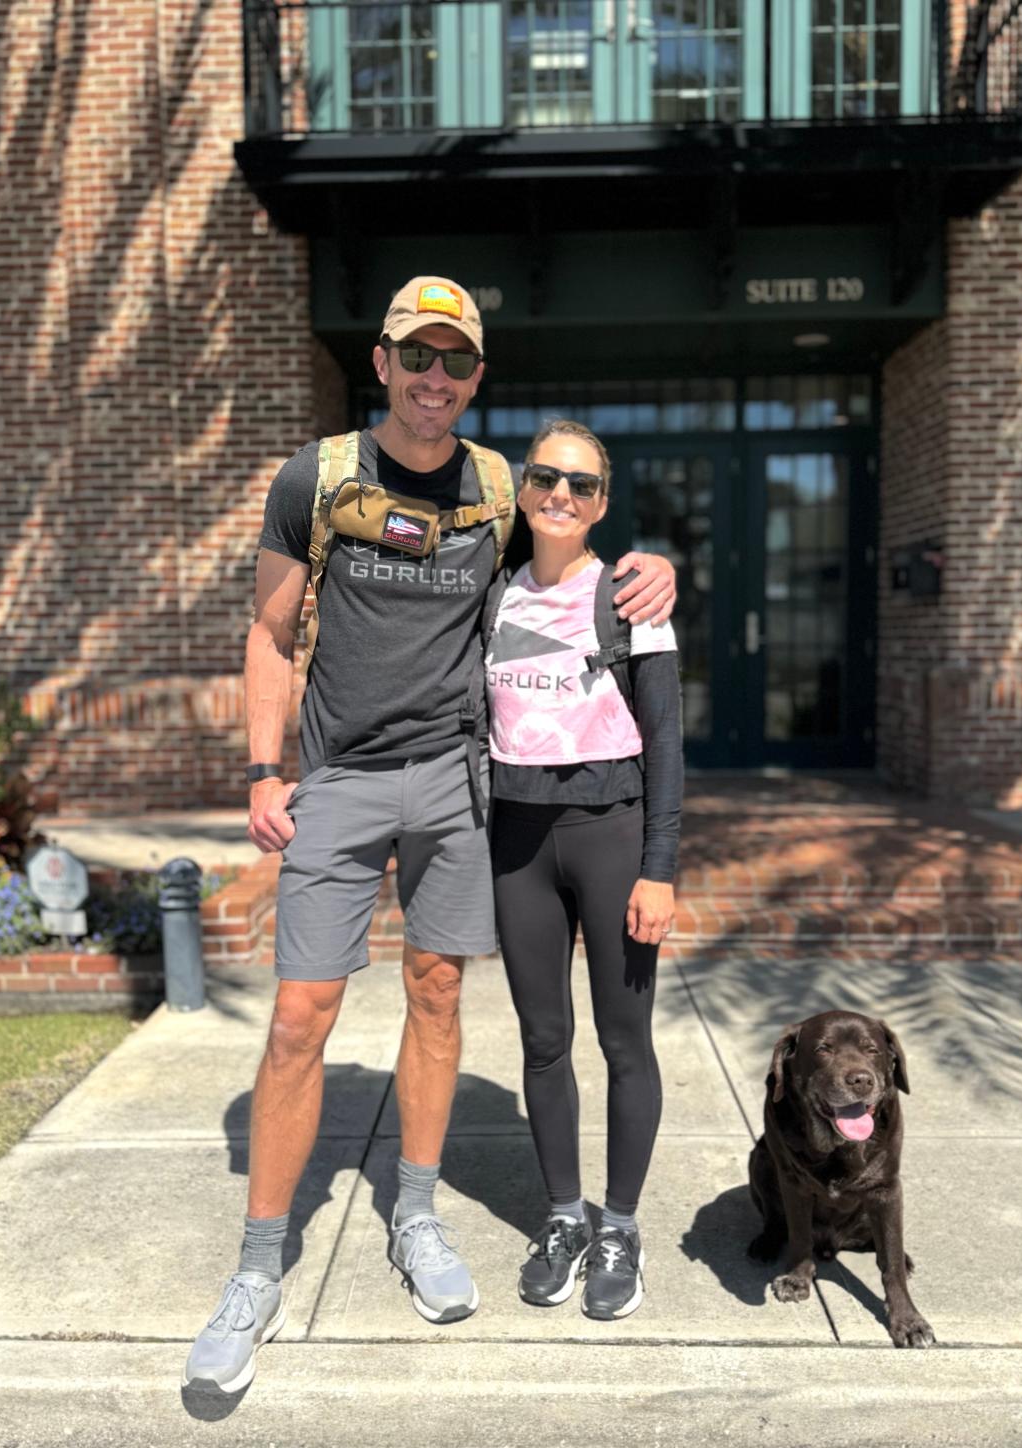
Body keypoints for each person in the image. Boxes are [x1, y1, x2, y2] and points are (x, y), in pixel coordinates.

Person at [183, 278, 676, 1393]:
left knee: (440, 993)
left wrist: (654, 569)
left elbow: (561, 573)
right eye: (418, 356)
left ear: (476, 377)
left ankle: (416, 1214)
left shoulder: (501, 486)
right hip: (343, 782)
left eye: (456, 362)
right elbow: (269, 633)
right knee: (304, 1012)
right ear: (383, 361)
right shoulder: (318, 476)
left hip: (460, 783)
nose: (434, 378)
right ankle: (259, 1265)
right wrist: (265, 769)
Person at [487, 419, 682, 1321]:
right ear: (524, 489)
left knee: (623, 1042)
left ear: (603, 502)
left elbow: (668, 744)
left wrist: (660, 866)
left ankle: (622, 1228)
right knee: (541, 1040)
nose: (562, 495)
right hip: (518, 845)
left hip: (612, 834)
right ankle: (565, 1216)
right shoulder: (490, 594)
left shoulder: (634, 597)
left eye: (583, 484)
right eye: (546, 478)